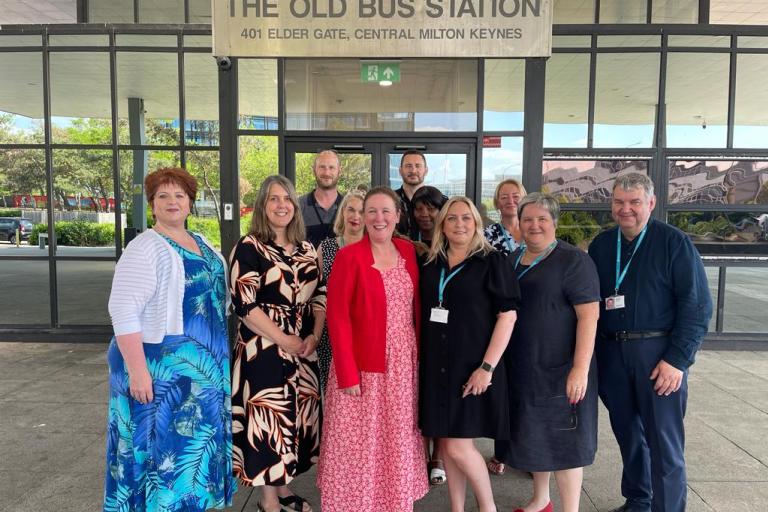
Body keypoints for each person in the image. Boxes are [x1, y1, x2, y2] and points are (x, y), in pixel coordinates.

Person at [104, 167, 235, 511]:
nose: (172, 202)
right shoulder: (145, 247)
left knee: (189, 455)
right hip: (160, 372)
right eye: (163, 196)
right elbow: (122, 308)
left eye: (179, 196)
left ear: (191, 204)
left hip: (200, 372)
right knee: (160, 454)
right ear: (152, 205)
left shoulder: (202, 243)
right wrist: (137, 371)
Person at [588, 173, 712, 512]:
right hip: (613, 354)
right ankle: (639, 500)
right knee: (629, 436)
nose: (626, 209)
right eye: (619, 202)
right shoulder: (601, 245)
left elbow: (697, 306)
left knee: (664, 443)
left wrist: (678, 360)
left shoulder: (674, 243)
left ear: (651, 204)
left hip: (658, 356)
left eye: (634, 202)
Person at [318, 186, 429, 511]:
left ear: (397, 216)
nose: (379, 218)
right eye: (372, 211)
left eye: (386, 211)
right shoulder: (348, 256)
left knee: (392, 439)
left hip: (401, 365)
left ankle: (391, 502)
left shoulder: (407, 252)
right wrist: (347, 373)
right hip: (362, 364)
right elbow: (337, 316)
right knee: (355, 442)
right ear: (363, 217)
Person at [230, 175, 325, 512]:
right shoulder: (250, 246)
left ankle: (283, 489)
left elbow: (320, 295)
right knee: (269, 419)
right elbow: (245, 304)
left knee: (295, 420)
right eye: (273, 199)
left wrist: (314, 335)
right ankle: (268, 501)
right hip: (264, 348)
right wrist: (285, 338)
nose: (281, 205)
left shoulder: (308, 248)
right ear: (262, 205)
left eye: (286, 198)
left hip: (302, 348)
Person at [420, 197, 519, 512]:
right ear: (442, 225)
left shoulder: (492, 261)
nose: (459, 224)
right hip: (437, 367)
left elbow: (508, 316)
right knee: (448, 445)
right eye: (452, 219)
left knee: (460, 446)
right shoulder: (431, 264)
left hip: (474, 366)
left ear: (477, 223)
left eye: (466, 218)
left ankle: (488, 506)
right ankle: (457, 508)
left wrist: (486, 368)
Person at [506, 193, 601, 512]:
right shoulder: (514, 259)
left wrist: (580, 368)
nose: (534, 225)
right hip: (525, 368)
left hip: (561, 368)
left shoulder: (573, 260)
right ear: (518, 223)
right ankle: (541, 499)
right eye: (528, 219)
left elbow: (589, 315)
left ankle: (570, 508)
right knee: (534, 434)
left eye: (542, 219)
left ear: (555, 223)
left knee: (565, 441)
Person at [316, 188, 366, 394]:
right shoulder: (326, 247)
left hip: (364, 331)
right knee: (332, 392)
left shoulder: (374, 248)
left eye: (362, 212)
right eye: (350, 209)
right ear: (342, 212)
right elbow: (315, 291)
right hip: (330, 331)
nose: (355, 216)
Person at [299, 149, 343, 247]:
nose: (327, 172)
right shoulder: (298, 206)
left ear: (340, 171)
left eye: (331, 167)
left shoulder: (349, 207)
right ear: (314, 170)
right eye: (322, 167)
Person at [484, 178, 527, 257]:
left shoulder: (534, 230)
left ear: (524, 200)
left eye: (515, 196)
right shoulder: (487, 235)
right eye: (504, 197)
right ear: (497, 204)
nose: (510, 201)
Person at [395, 150, 429, 238]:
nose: (413, 170)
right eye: (408, 166)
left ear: (426, 170)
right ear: (400, 170)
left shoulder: (439, 201)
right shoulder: (389, 200)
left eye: (418, 166)